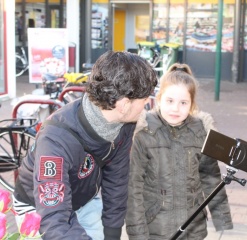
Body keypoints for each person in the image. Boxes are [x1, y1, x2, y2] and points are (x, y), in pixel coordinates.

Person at [12, 51, 158, 240]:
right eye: (145, 99)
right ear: (124, 103)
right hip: (39, 207)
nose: (147, 103)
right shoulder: (55, 140)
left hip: (83, 198)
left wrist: (112, 232)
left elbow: (117, 178)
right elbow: (54, 221)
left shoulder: (124, 122)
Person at [126, 63, 233, 239]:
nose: (175, 108)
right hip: (155, 227)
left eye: (183, 102)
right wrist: (137, 233)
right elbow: (133, 187)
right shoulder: (144, 133)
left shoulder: (200, 132)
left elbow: (211, 177)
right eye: (170, 101)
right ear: (159, 99)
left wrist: (222, 217)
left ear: (192, 104)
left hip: (193, 227)